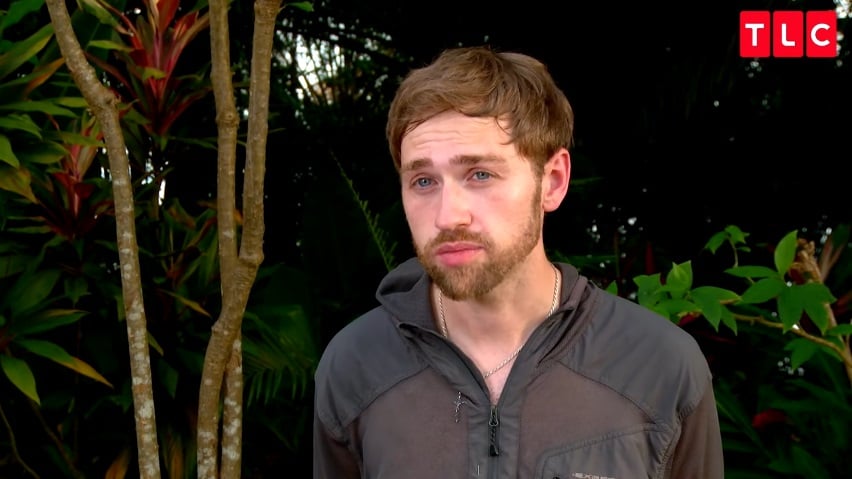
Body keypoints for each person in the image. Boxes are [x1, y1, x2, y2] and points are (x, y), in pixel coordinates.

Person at [313, 45, 724, 479]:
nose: (448, 216)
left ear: (553, 181)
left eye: (480, 174)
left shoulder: (660, 365)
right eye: (424, 181)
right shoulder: (354, 365)